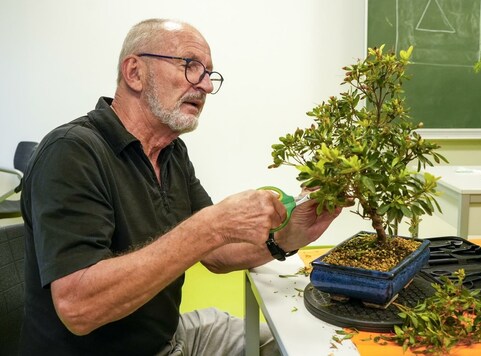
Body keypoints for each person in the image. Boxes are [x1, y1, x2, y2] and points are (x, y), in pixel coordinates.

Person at [19, 18, 340, 356]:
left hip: (169, 336)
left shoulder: (171, 152)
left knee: (296, 346)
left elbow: (216, 255)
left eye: (209, 74)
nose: (205, 86)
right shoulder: (72, 152)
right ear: (134, 73)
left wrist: (290, 237)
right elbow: (78, 308)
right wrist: (211, 227)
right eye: (190, 66)